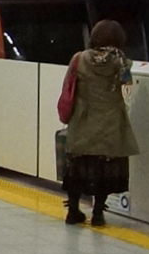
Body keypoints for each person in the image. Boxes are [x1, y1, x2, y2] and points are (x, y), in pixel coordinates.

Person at [58, 19, 138, 226]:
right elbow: (127, 84)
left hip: (82, 120)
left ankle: (73, 211)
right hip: (110, 122)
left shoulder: (79, 59)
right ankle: (98, 214)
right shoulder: (122, 62)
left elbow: (68, 86)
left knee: (77, 167)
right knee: (105, 168)